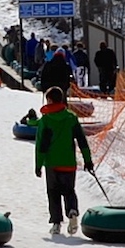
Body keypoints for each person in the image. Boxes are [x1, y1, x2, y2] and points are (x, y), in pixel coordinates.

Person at [34, 86, 94, 235]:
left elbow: (41, 145)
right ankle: (72, 212)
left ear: (49, 100)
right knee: (69, 191)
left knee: (53, 193)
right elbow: (82, 140)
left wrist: (38, 165)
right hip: (69, 163)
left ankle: (56, 223)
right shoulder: (71, 118)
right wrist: (88, 160)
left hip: (52, 163)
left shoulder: (45, 120)